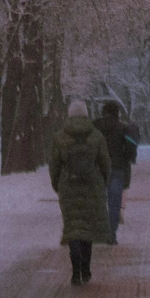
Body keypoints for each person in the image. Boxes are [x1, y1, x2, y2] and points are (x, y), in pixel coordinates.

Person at [48, 98, 114, 285]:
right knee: (87, 228)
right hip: (92, 187)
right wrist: (101, 183)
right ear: (86, 115)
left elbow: (54, 166)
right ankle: (86, 269)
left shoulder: (60, 137)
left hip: (68, 187)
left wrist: (58, 185)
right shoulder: (96, 136)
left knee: (74, 229)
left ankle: (75, 271)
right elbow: (105, 163)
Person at [95, 100, 139, 240]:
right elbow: (131, 146)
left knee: (99, 200)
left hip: (98, 168)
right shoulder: (122, 128)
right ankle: (111, 233)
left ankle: (99, 230)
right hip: (117, 167)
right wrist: (126, 158)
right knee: (114, 202)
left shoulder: (95, 127)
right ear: (117, 113)